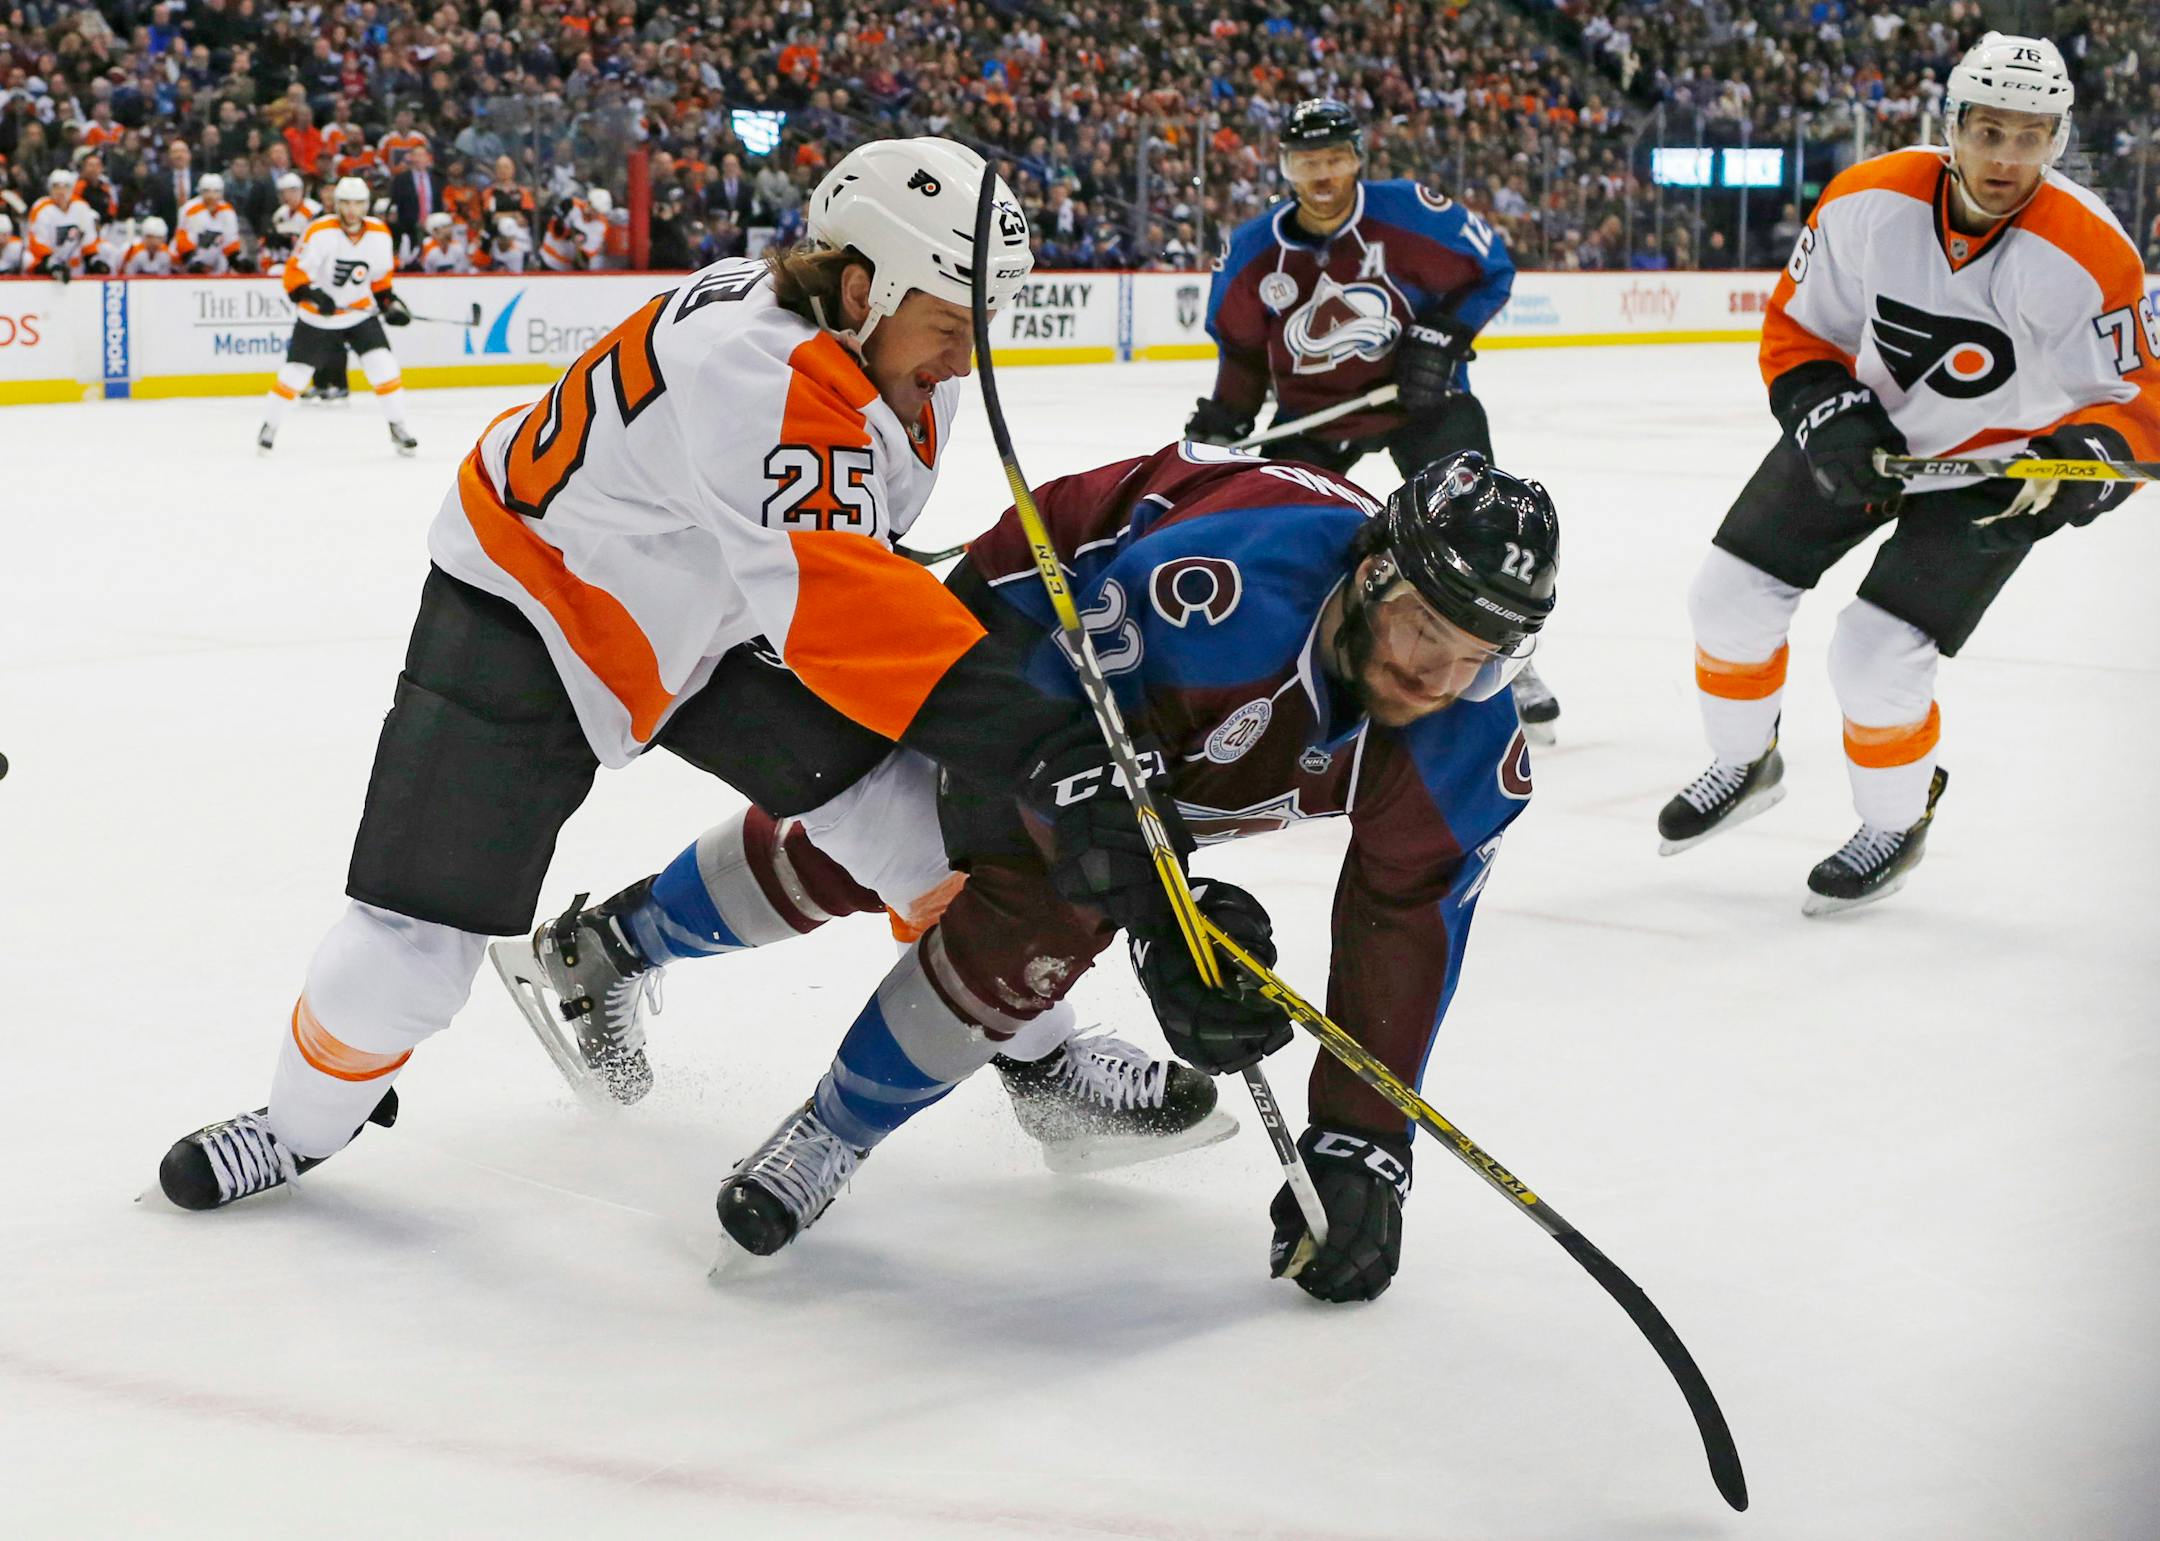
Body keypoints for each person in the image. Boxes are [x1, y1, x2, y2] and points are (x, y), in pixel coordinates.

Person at [154, 139, 1128, 1217]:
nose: (965, 358)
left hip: (713, 609)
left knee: (929, 840)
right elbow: (844, 612)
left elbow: (835, 558)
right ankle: (298, 1124)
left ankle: (1047, 1064)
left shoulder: (874, 351)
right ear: (864, 287)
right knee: (406, 955)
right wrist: (1052, 738)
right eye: (950, 324)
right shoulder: (764, 370)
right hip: (536, 603)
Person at [683, 443, 1556, 1303]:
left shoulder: (1466, 739)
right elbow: (1089, 800)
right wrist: (1168, 929)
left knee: (952, 857)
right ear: (1370, 575)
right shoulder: (1217, 597)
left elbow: (1407, 926)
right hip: (1028, 630)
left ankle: (623, 940)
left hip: (1188, 713)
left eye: (1479, 655)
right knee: (993, 877)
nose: (1438, 677)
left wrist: (1359, 1144)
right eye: (1424, 630)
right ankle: (830, 1129)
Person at [1657, 33, 2155, 915]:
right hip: (1872, 431)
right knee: (1726, 597)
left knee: (1874, 656)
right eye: (1989, 131)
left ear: (2059, 140)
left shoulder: (2090, 252)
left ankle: (1895, 820)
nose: (2006, 158)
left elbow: (2137, 400)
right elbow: (1799, 332)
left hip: (2000, 471)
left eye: (2031, 136)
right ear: (1951, 124)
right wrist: (1829, 413)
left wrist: (2086, 465)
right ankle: (1744, 760)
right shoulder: (1867, 200)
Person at [1184, 99, 1559, 744]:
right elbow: (1242, 354)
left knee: (1479, 534)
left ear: (1358, 158)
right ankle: (1292, 663)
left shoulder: (1410, 215)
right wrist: (1226, 419)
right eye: (1308, 162)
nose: (1323, 175)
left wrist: (1442, 335)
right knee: (1279, 538)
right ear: (1286, 168)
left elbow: (1491, 269)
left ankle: (1508, 666)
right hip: (1314, 415)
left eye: (1334, 158)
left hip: (1422, 403)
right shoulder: (1251, 254)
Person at [254, 176, 416, 457]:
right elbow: (294, 275)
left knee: (384, 367)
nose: (352, 210)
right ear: (337, 204)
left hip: (358, 313)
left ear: (366, 205)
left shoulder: (379, 233)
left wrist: (391, 304)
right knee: (294, 376)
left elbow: (380, 281)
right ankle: (269, 426)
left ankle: (398, 426)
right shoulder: (320, 231)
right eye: (346, 203)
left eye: (358, 203)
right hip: (317, 318)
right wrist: (314, 295)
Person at [26, 166, 97, 279]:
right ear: (50, 189)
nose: (61, 191)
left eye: (65, 187)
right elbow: (37, 241)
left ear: (72, 188)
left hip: (76, 267)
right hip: (47, 266)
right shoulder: (41, 208)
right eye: (56, 187)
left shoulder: (81, 206)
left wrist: (92, 259)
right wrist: (52, 263)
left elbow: (89, 238)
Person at [174, 171, 247, 273]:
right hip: (189, 261)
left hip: (216, 259)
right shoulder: (190, 209)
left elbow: (231, 240)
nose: (211, 196)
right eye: (207, 191)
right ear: (201, 191)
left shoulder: (227, 210)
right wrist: (194, 262)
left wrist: (235, 259)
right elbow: (182, 241)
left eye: (216, 191)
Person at [537, 185, 609, 271]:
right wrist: (561, 222)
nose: (590, 209)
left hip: (565, 269)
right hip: (546, 259)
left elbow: (585, 258)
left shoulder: (601, 226)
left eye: (596, 210)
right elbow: (554, 231)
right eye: (589, 203)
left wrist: (579, 245)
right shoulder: (571, 204)